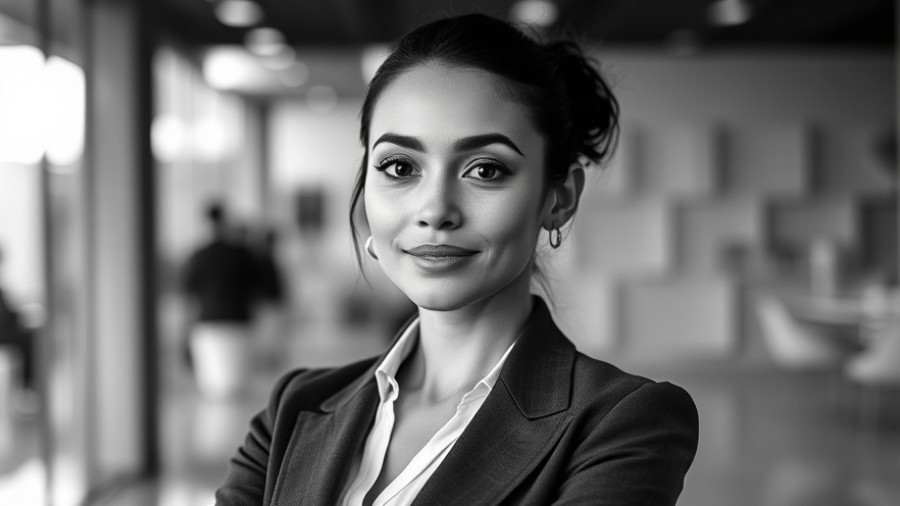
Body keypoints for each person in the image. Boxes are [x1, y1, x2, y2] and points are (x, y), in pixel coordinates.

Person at [216, 13, 698, 505]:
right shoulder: (294, 410)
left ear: (559, 199)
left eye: (485, 169)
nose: (435, 211)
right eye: (400, 167)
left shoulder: (622, 424)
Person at [182, 201, 260, 399]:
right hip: (238, 322)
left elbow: (188, 294)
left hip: (208, 323)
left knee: (213, 392)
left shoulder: (198, 255)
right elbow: (257, 288)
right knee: (236, 391)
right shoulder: (241, 254)